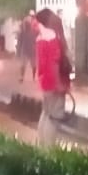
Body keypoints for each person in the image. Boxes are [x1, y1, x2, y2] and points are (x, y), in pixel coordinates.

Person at [33, 8, 67, 146]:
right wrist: (58, 83)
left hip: (45, 82)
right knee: (54, 117)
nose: (56, 17)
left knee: (46, 114)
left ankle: (42, 146)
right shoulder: (52, 36)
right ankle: (49, 150)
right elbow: (54, 62)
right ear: (48, 20)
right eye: (53, 15)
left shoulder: (40, 37)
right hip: (53, 83)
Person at [17, 12, 38, 82]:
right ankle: (23, 77)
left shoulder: (33, 32)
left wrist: (18, 51)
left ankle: (31, 77)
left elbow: (19, 43)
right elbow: (19, 42)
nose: (27, 25)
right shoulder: (23, 32)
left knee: (32, 65)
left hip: (30, 50)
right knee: (24, 65)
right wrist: (18, 51)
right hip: (27, 50)